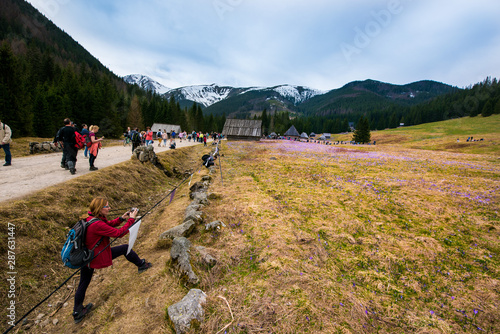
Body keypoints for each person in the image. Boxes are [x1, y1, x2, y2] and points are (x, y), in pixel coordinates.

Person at [73, 197, 152, 323]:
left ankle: (77, 311)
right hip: (97, 256)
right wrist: (131, 219)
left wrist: (122, 218)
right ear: (100, 208)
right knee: (124, 248)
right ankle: (141, 264)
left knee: (84, 282)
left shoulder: (90, 218)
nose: (109, 208)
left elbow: (107, 226)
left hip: (87, 257)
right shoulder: (97, 223)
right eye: (107, 206)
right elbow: (119, 233)